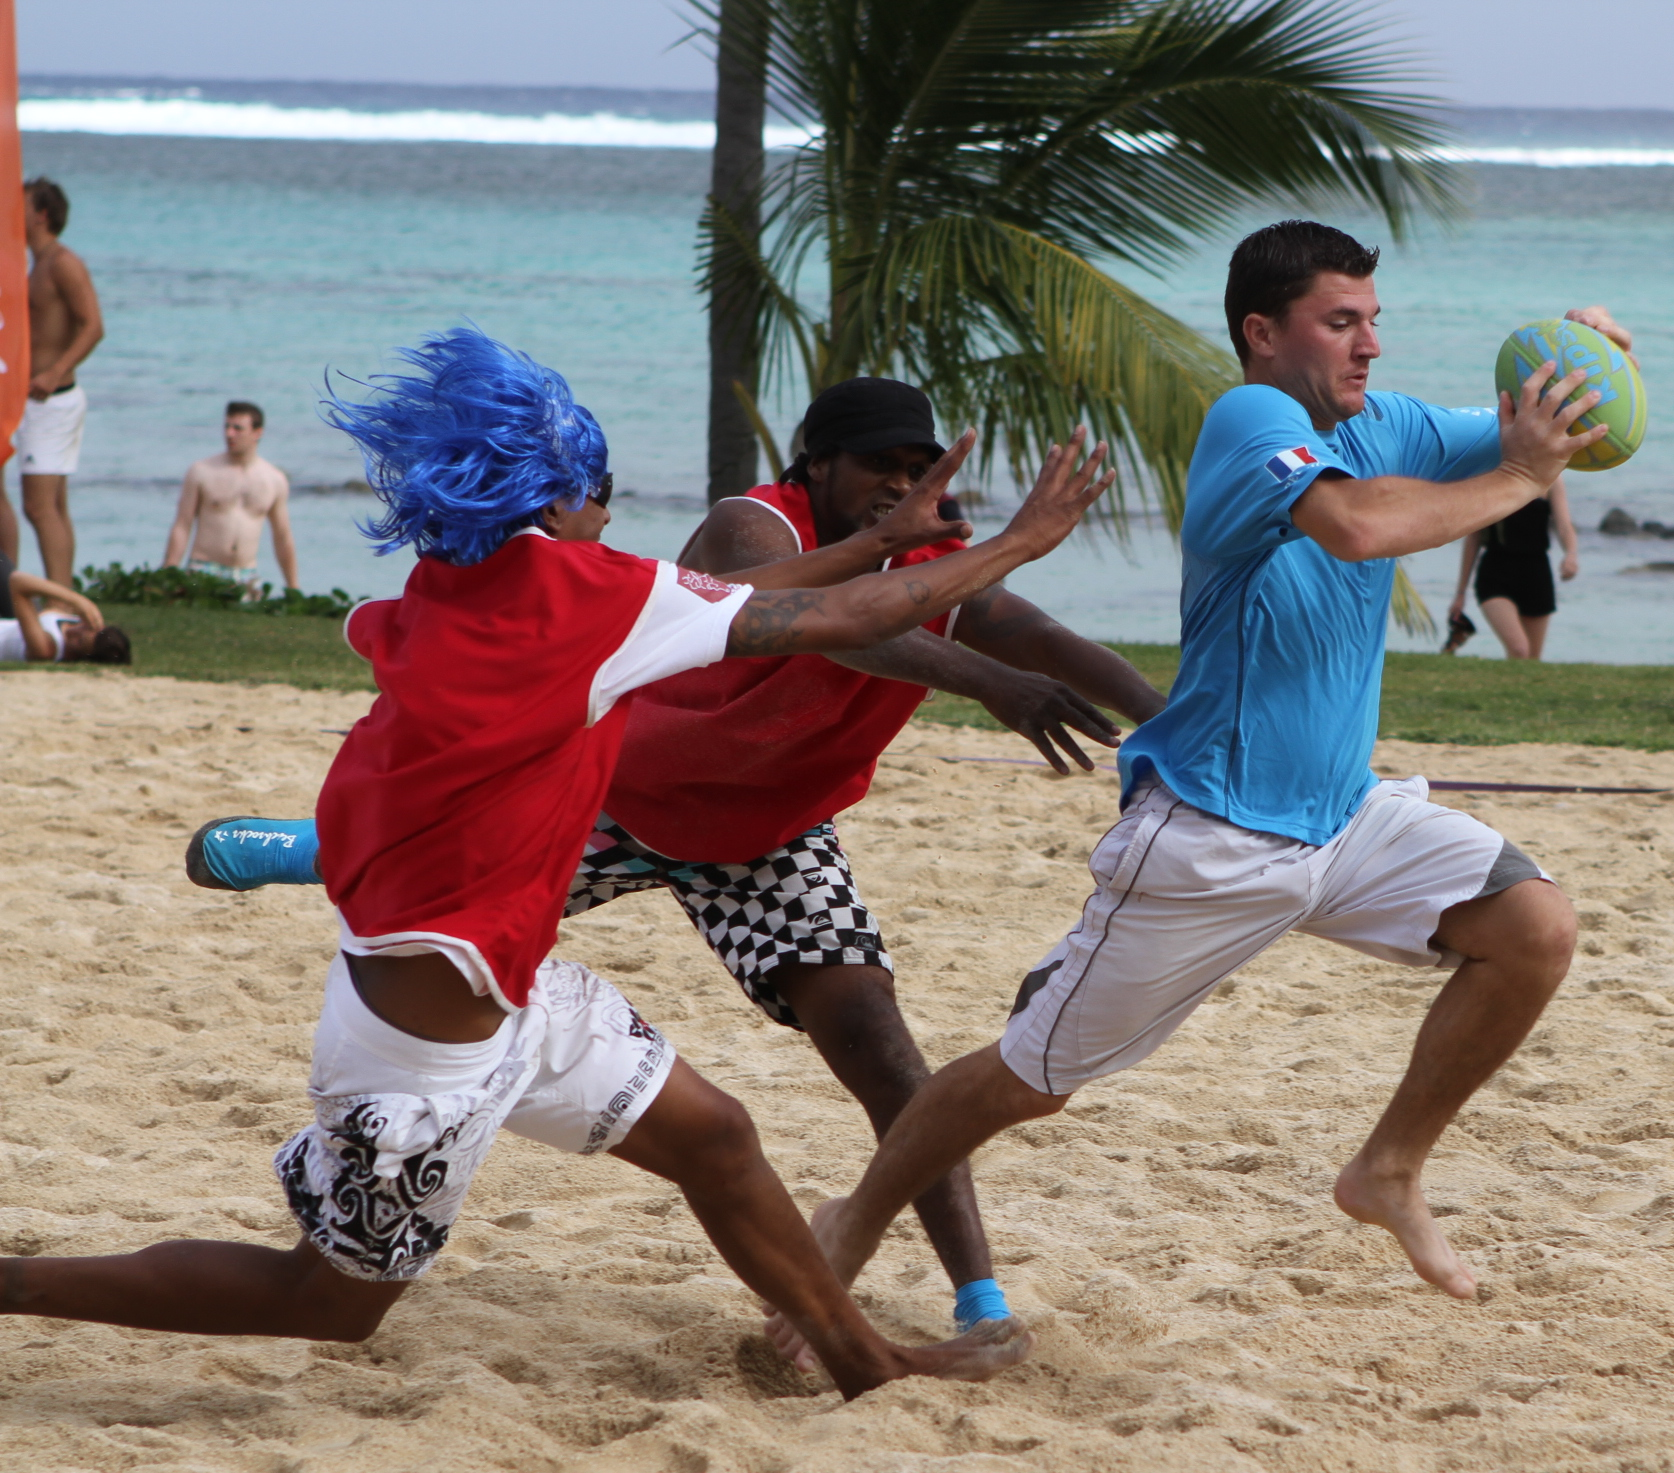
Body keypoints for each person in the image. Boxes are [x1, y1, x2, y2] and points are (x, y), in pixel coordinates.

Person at [0, 328, 1115, 1399]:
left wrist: (879, 539)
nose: (612, 510)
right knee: (326, 1303)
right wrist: (1018, 541)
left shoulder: (462, 580)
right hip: (423, 1047)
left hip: (511, 988)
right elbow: (841, 618)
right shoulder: (591, 605)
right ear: (548, 501)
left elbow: (758, 596)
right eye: (600, 490)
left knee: (718, 1139)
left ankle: (866, 1364)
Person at [762, 220, 1627, 1352]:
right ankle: (853, 1222)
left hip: (1342, 817)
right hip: (1212, 835)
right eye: (1340, 322)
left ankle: (1387, 1169)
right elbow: (1358, 525)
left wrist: (1586, 360)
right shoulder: (1249, 421)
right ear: (1262, 333)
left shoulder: (1390, 422)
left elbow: (1561, 434)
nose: (1368, 344)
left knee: (1534, 928)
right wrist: (1517, 477)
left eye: (1373, 320)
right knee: (1029, 1080)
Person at [16, 179, 104, 593]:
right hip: (38, 400)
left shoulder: (63, 263)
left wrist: (54, 372)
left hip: (52, 399)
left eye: (19, 205)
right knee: (52, 505)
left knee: (38, 507)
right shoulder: (35, 264)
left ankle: (60, 602)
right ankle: (63, 598)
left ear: (41, 215)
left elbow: (93, 326)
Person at [162, 401, 300, 596]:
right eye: (227, 427)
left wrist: (293, 587)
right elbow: (182, 525)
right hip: (203, 570)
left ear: (257, 433)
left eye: (238, 429)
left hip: (247, 575)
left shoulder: (274, 480)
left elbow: (282, 536)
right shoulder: (202, 471)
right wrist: (169, 572)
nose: (229, 434)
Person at [1445, 477, 1578, 659]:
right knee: (1519, 649)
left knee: (1531, 660)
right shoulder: (1488, 474)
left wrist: (1571, 554)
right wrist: (1460, 593)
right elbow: (1474, 537)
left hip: (1536, 573)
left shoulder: (1551, 477)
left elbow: (1564, 525)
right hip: (1495, 572)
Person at [0, 567, 130, 664]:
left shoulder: (47, 649)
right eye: (87, 628)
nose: (74, 631)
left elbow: (17, 581)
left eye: (79, 641)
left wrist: (76, 600)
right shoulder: (72, 622)